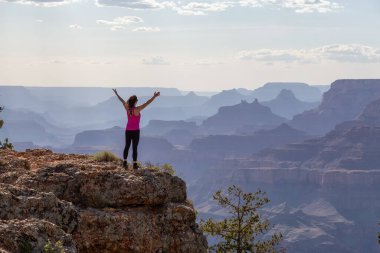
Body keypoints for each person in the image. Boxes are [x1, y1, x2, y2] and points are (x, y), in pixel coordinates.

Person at [112, 89, 160, 169]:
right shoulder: (137, 109)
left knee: (127, 146)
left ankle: (125, 162)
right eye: (136, 100)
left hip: (128, 130)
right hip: (135, 131)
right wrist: (154, 96)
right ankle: (134, 164)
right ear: (135, 101)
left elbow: (122, 101)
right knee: (135, 147)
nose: (137, 101)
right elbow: (147, 103)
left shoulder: (127, 108)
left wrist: (116, 94)